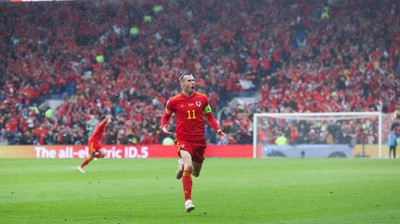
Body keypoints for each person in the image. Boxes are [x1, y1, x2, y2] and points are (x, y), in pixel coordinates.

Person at [160, 72, 226, 213]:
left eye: (193, 80)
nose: (192, 82)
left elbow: (210, 117)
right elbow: (165, 117)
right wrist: (164, 126)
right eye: (189, 80)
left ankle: (182, 166)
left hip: (199, 141)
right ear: (182, 84)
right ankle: (188, 202)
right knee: (189, 166)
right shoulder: (174, 101)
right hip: (183, 139)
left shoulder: (202, 99)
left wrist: (218, 130)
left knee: (195, 173)